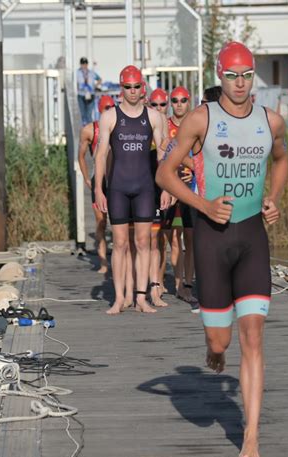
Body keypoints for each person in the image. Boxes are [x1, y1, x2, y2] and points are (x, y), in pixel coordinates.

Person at [157, 41, 288, 457]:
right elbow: (164, 173)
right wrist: (202, 206)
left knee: (254, 337)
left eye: (246, 75)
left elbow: (283, 161)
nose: (239, 83)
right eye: (231, 76)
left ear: (254, 77)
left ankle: (250, 436)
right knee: (222, 339)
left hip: (251, 237)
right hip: (212, 237)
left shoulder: (271, 121)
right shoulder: (200, 119)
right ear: (219, 75)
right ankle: (214, 350)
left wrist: (273, 196)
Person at [94, 65, 164, 315]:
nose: (132, 91)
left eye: (136, 87)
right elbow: (101, 156)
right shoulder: (110, 117)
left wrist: (166, 189)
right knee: (121, 244)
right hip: (118, 189)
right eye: (127, 87)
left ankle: (142, 298)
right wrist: (98, 191)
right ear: (121, 89)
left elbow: (163, 156)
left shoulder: (154, 117)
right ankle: (120, 297)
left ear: (142, 88)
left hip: (145, 187)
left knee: (143, 242)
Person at [162, 86, 197, 304]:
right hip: (174, 188)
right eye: (175, 101)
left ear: (189, 101)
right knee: (174, 239)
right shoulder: (165, 126)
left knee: (191, 240)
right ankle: (177, 284)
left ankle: (188, 283)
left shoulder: (195, 121)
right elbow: (162, 153)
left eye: (183, 100)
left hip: (192, 188)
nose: (179, 104)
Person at [77, 95, 115, 274]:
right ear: (99, 109)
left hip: (116, 180)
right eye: (106, 108)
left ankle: (120, 260)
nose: (109, 111)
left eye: (111, 107)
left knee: (119, 223)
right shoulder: (89, 130)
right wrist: (86, 177)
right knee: (101, 222)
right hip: (98, 180)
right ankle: (103, 263)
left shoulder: (119, 127)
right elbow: (81, 156)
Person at [148, 88, 170, 306]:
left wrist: (167, 188)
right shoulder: (143, 121)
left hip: (157, 187)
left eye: (163, 104)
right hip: (137, 187)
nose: (159, 108)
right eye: (154, 104)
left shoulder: (166, 126)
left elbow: (166, 161)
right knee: (136, 242)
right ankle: (135, 289)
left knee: (157, 240)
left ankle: (156, 285)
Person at [77, 57, 101, 125]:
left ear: (87, 64)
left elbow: (99, 79)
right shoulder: (77, 73)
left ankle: (90, 131)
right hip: (81, 95)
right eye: (82, 64)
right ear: (80, 64)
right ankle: (84, 130)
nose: (84, 65)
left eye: (85, 64)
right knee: (82, 114)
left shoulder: (91, 73)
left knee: (89, 115)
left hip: (90, 95)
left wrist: (95, 86)